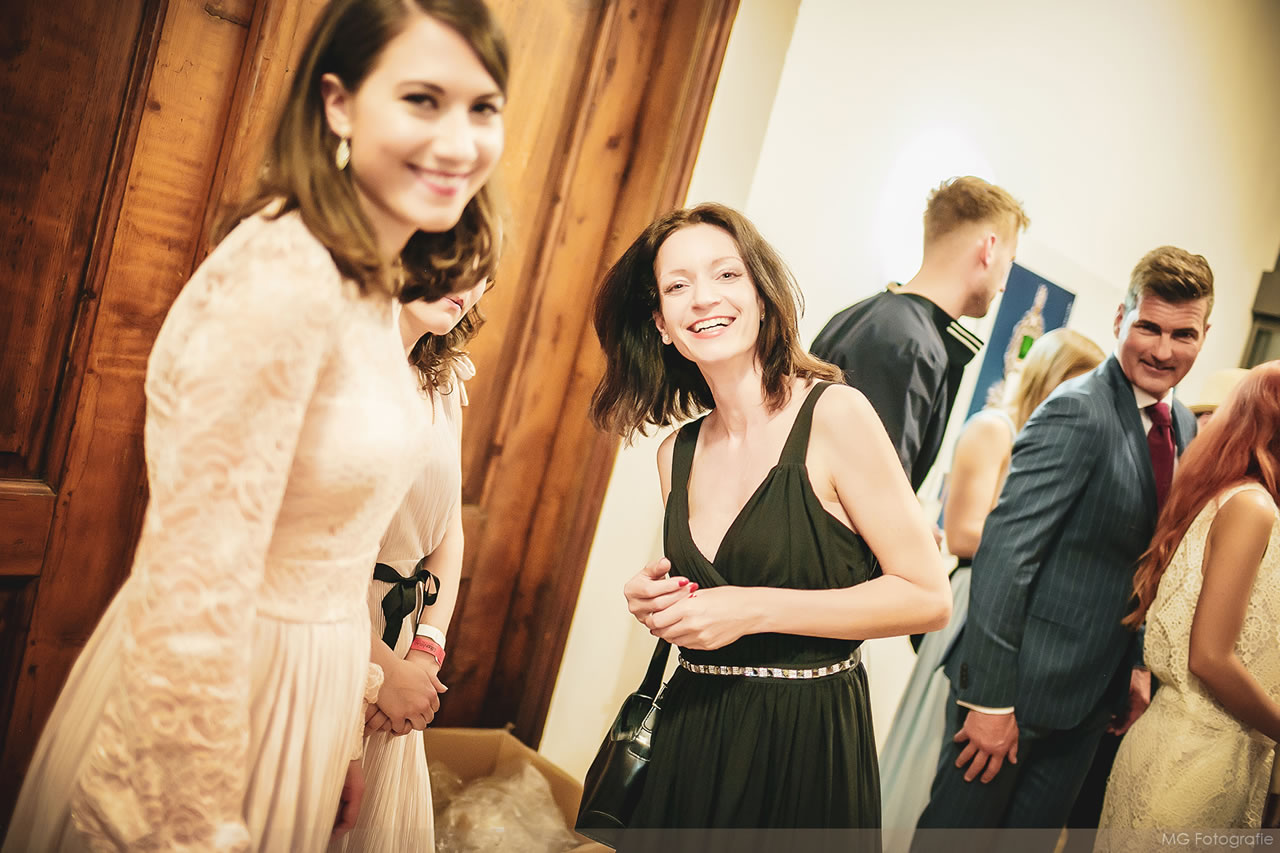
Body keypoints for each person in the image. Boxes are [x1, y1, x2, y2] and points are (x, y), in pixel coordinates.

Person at [3, 0, 508, 850]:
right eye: (423, 99)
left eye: (482, 107)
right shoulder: (284, 270)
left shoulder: (368, 283)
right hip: (220, 690)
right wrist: (184, 818)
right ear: (338, 104)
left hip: (310, 694)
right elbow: (193, 574)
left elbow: (339, 544)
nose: (458, 141)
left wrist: (336, 734)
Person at [590, 203, 951, 834]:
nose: (704, 298)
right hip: (693, 733)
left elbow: (927, 598)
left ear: (762, 296)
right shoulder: (675, 453)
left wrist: (752, 608)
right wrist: (658, 602)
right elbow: (709, 601)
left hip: (804, 741)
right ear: (662, 325)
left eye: (726, 274)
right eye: (677, 286)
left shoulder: (836, 416)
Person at [914, 246, 1213, 848]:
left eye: (1183, 334)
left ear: (1204, 334)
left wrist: (1133, 666)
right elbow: (1006, 555)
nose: (1163, 350)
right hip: (1015, 692)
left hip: (1091, 702)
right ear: (1120, 319)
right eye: (1149, 327)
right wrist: (990, 702)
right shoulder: (1077, 410)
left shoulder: (1182, 426)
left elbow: (1145, 559)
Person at [880, 329, 1103, 846]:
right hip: (975, 599)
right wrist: (1057, 547)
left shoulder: (1050, 444)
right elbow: (962, 533)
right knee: (936, 751)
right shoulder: (994, 429)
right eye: (1075, 384)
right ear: (1049, 377)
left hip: (1016, 606)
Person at [332, 276, 489, 853]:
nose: (470, 283)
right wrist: (380, 672)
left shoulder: (442, 379)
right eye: (459, 256)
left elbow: (449, 529)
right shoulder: (338, 362)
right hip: (331, 629)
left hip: (403, 640)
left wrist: (424, 653)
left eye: (485, 271)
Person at [1096, 361, 1280, 846]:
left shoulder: (1239, 498)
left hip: (1193, 750)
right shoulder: (1252, 506)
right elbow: (1210, 657)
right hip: (1195, 759)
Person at [811, 176, 1029, 495]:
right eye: (1008, 264)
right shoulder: (911, 345)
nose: (1003, 286)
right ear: (990, 249)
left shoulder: (857, 315)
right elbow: (875, 496)